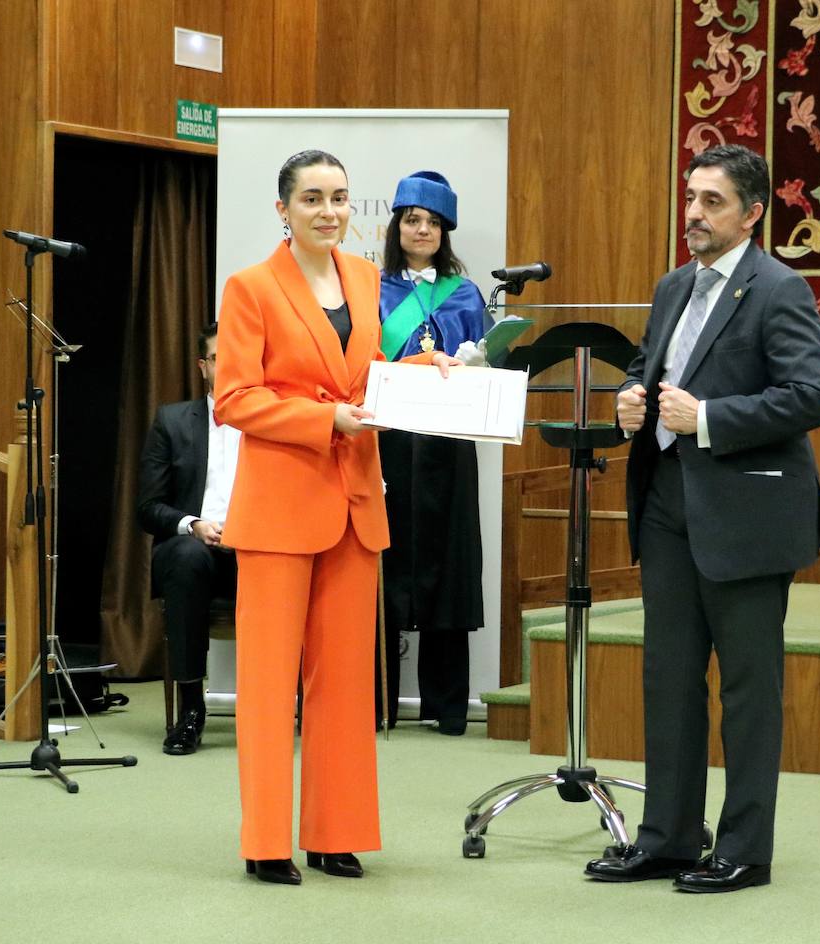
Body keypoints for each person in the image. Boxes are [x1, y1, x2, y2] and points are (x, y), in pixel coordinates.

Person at [586, 143, 820, 893]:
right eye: (690, 198)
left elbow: (812, 396)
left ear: (753, 213)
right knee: (667, 678)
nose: (693, 215)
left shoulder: (779, 289)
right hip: (668, 502)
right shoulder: (673, 287)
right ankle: (667, 837)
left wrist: (711, 417)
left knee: (747, 690)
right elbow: (651, 371)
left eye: (712, 203)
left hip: (748, 511)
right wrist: (629, 399)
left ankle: (744, 850)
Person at [215, 149, 461, 886]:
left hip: (355, 505)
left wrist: (426, 369)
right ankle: (265, 841)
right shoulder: (251, 287)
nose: (330, 210)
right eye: (314, 198)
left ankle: (334, 833)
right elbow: (235, 400)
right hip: (280, 508)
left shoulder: (361, 277)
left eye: (341, 198)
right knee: (266, 686)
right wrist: (327, 422)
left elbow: (367, 375)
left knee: (347, 684)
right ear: (283, 209)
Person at [376, 171, 488, 736]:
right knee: (383, 565)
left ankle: (447, 707)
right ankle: (380, 703)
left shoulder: (465, 294)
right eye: (413, 220)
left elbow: (487, 364)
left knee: (448, 566)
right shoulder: (370, 289)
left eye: (434, 224)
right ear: (397, 226)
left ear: (445, 233)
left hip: (448, 445)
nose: (422, 230)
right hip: (388, 443)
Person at [136, 323, 239, 757]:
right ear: (203, 367)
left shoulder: (275, 420)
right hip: (199, 549)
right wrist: (193, 524)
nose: (229, 364)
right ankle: (192, 710)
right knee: (184, 557)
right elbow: (148, 507)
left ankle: (290, 710)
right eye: (218, 357)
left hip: (259, 547)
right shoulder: (172, 420)